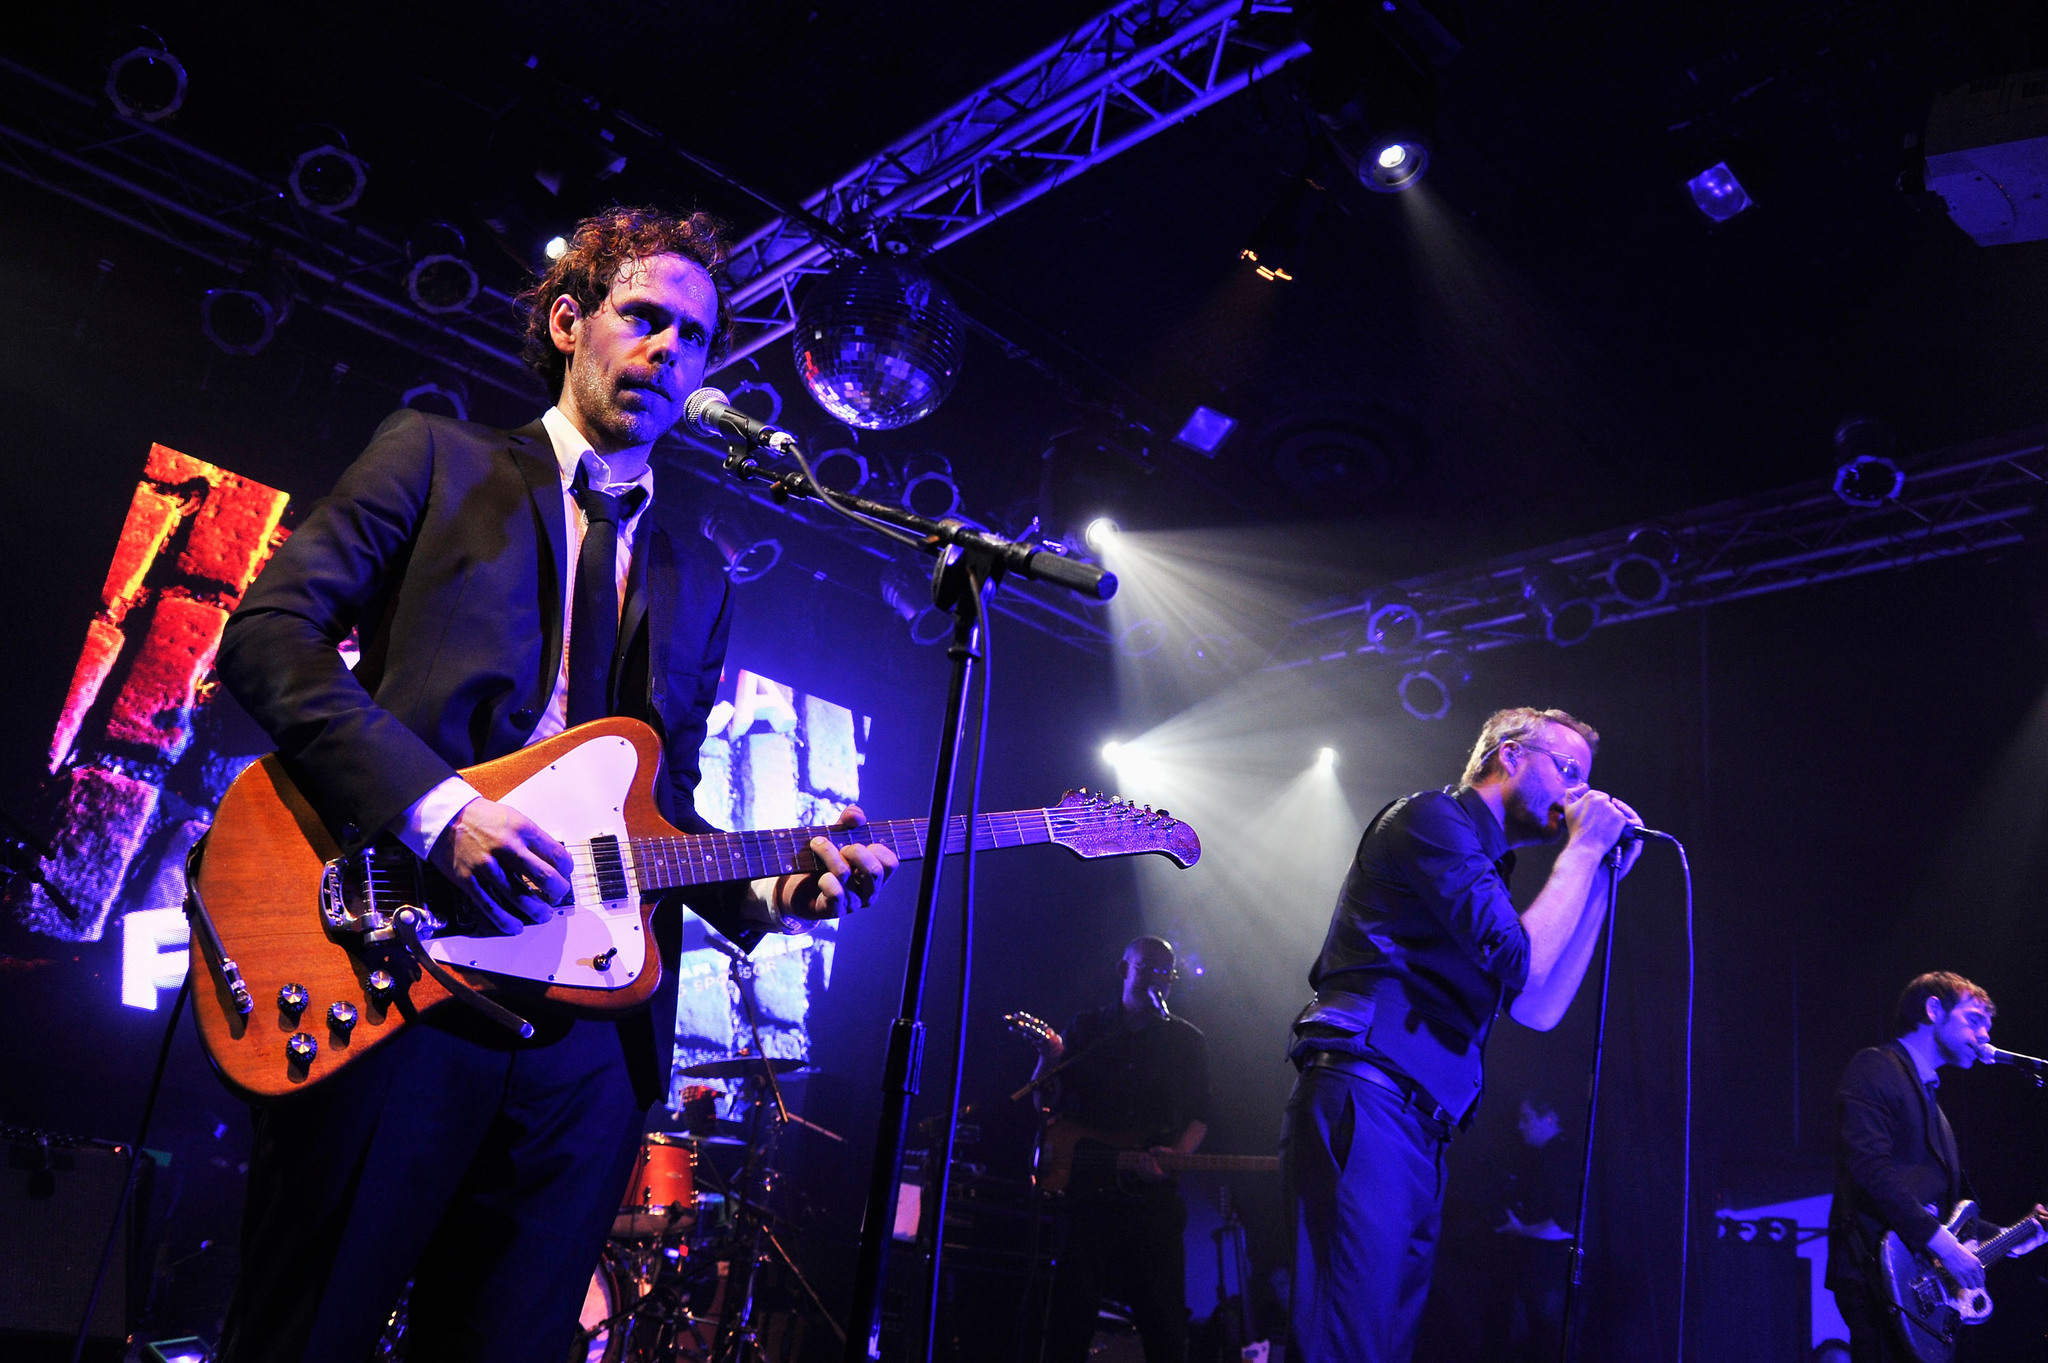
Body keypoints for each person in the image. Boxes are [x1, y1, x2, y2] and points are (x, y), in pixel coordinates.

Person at [211, 206, 898, 1363]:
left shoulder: (694, 577)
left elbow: (659, 813)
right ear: (570, 321)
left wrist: (777, 892)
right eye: (643, 318)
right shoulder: (437, 456)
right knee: (306, 1330)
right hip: (396, 970)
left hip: (585, 1046)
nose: (668, 350)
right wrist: (441, 814)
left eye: (693, 336)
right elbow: (267, 635)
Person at [1280, 706, 1642, 1363]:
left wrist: (1601, 882)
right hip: (1370, 1096)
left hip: (1421, 1120)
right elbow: (1521, 956)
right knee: (1347, 1338)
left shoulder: (1486, 868)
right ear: (1508, 755)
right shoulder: (1432, 820)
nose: (1577, 793)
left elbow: (1537, 1004)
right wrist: (1584, 850)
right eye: (1567, 771)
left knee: (1384, 1342)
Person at [1824, 972, 2045, 1362]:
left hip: (1923, 1294)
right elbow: (1868, 1169)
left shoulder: (1936, 1110)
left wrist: (2015, 1238)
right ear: (1932, 1010)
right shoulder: (1876, 1068)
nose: (1984, 1035)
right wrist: (1943, 1244)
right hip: (1880, 1276)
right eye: (1974, 1020)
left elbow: (1953, 1217)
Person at [1030, 936, 1210, 1363]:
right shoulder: (1088, 1029)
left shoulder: (1187, 1041)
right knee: (1067, 1323)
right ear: (1123, 970)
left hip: (1150, 1201)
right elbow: (1046, 1105)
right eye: (1149, 968)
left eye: (1167, 972)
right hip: (1086, 1197)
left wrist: (1172, 1157)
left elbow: (1200, 1117)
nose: (1159, 980)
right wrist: (1046, 1059)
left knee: (1165, 1326)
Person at [1492, 1093, 1578, 1361]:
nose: (1520, 1126)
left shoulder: (1561, 1160)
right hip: (1539, 1279)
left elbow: (1567, 1223)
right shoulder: (1544, 1159)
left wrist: (1521, 1230)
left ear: (1549, 1119)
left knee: (1544, 1348)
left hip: (1549, 1281)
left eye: (1527, 1119)